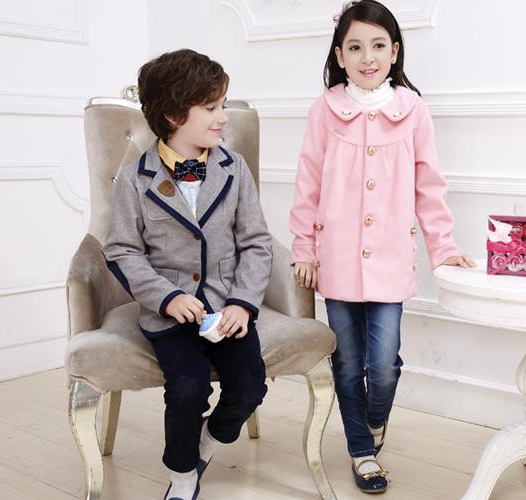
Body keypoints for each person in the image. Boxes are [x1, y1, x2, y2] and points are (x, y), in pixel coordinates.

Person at [288, 1, 475, 493]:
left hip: (391, 261)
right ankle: (361, 451)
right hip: (336, 262)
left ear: (394, 51)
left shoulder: (412, 110)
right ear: (340, 55)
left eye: (377, 46)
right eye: (355, 47)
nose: (366, 57)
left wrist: (444, 248)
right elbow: (307, 185)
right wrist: (304, 250)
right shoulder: (325, 110)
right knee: (348, 362)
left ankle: (373, 423)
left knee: (385, 363)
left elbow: (428, 187)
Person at [103, 49, 272, 500]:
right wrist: (167, 297)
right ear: (175, 114)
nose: (223, 117)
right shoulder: (134, 179)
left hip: (228, 307)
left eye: (223, 106)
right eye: (212, 108)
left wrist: (242, 303)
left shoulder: (234, 169)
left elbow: (257, 242)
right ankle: (182, 474)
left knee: (250, 386)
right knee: (186, 389)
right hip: (171, 314)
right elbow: (121, 250)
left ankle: (207, 442)